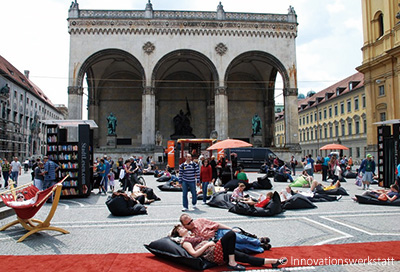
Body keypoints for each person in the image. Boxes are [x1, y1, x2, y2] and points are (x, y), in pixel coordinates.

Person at [169, 225, 287, 270]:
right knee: (230, 234)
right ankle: (231, 262)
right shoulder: (185, 241)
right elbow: (194, 254)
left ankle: (274, 262)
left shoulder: (192, 235)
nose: (184, 229)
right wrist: (208, 245)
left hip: (215, 249)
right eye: (181, 229)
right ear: (179, 234)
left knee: (245, 258)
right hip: (212, 253)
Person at [179, 213, 271, 253]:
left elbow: (217, 225)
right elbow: (175, 234)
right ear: (184, 225)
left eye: (191, 220)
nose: (192, 223)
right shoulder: (189, 234)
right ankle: (259, 248)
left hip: (219, 232)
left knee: (239, 238)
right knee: (237, 246)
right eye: (189, 223)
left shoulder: (200, 220)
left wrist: (231, 229)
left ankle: (257, 241)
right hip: (215, 241)